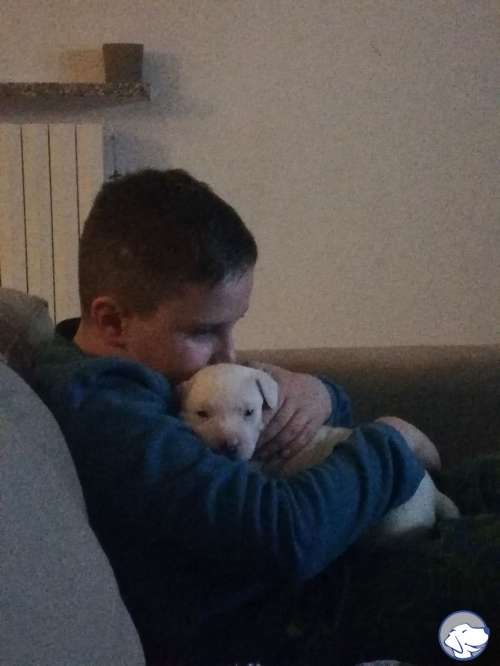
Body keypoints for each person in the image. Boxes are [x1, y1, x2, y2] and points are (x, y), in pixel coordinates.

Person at [31, 169, 499, 666]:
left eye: (233, 326)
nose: (229, 354)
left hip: (346, 546)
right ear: (112, 321)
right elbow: (283, 536)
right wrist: (392, 443)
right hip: (309, 612)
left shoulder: (147, 372)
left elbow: (296, 426)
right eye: (204, 331)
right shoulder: (106, 413)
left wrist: (320, 396)